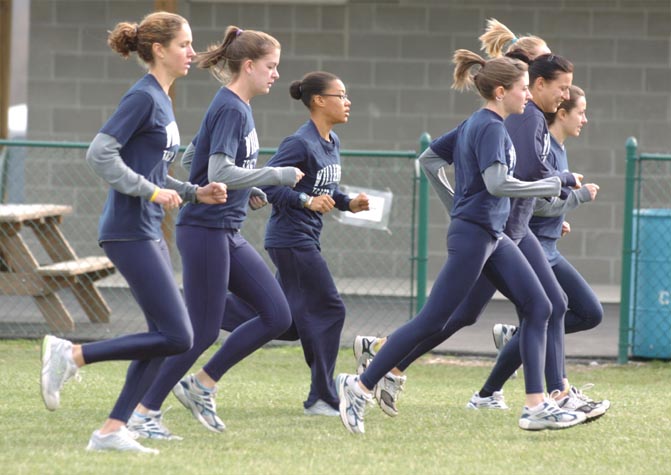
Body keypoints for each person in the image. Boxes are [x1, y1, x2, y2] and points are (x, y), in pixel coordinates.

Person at [353, 24, 607, 421]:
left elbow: (448, 165)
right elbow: (505, 183)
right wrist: (557, 192)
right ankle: (378, 365)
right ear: (524, 78)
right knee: (455, 314)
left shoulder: (517, 117)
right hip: (498, 230)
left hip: (506, 230)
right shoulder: (515, 121)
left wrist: (472, 205)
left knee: (536, 306)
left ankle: (541, 398)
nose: (561, 90)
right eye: (542, 69)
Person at [39, 12, 228, 454]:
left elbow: (155, 172)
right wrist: (151, 192)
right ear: (159, 50)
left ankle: (110, 431)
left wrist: (195, 192)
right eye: (184, 44)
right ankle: (71, 355)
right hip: (128, 232)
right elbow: (100, 154)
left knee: (161, 336)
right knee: (179, 336)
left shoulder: (163, 99)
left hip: (146, 230)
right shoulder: (143, 97)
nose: (191, 52)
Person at [127, 26, 304, 439]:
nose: (276, 75)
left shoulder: (236, 106)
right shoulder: (232, 108)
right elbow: (219, 170)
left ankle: (201, 384)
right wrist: (276, 174)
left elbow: (194, 157)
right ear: (248, 66)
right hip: (205, 230)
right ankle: (143, 411)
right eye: (271, 67)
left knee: (277, 315)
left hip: (227, 229)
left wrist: (251, 185)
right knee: (201, 330)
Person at [216, 71, 369, 418]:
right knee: (330, 310)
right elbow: (268, 185)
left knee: (289, 324)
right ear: (318, 101)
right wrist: (304, 201)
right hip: (291, 240)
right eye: (340, 95)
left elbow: (324, 190)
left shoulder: (332, 142)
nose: (347, 102)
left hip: (306, 238)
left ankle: (208, 309)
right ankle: (322, 398)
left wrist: (347, 202)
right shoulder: (299, 142)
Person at [484, 85, 610, 418]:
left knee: (588, 312)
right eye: (580, 111)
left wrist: (561, 220)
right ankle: (549, 390)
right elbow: (535, 202)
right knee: (455, 315)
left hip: (548, 246)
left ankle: (494, 383)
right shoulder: (546, 150)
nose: (585, 118)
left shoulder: (559, 148)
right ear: (563, 113)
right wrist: (577, 199)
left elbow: (545, 205)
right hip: (530, 246)